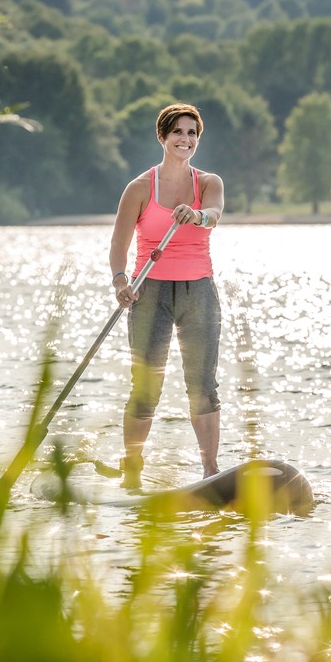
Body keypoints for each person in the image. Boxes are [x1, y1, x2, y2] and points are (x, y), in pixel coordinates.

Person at [110, 103, 225, 489]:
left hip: (199, 293)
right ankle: (132, 472)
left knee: (203, 385)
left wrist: (196, 216)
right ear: (162, 137)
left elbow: (214, 214)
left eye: (192, 133)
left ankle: (210, 470)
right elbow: (118, 246)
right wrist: (121, 281)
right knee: (145, 387)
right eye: (178, 132)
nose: (186, 140)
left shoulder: (208, 183)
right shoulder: (140, 188)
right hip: (149, 292)